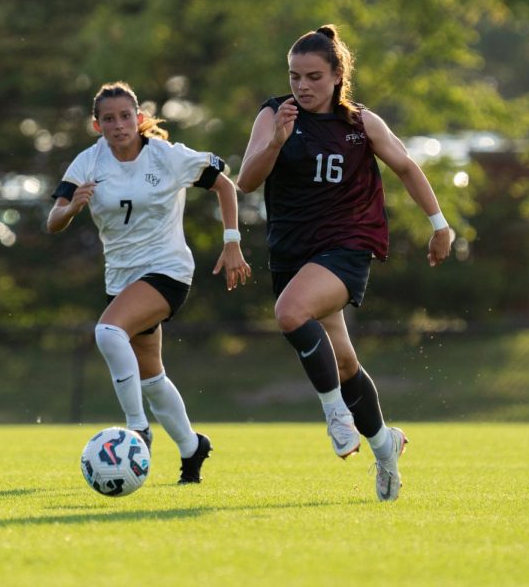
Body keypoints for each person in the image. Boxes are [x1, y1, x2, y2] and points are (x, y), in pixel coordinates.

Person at [236, 25, 452, 502]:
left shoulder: (361, 124)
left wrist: (439, 224)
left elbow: (407, 167)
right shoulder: (273, 115)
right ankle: (385, 446)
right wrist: (275, 142)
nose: (302, 86)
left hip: (348, 245)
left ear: (337, 76)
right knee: (346, 361)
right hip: (292, 251)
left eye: (313, 76)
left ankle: (334, 411)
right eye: (295, 76)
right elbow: (246, 183)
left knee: (290, 313)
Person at [48, 82, 251, 484]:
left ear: (139, 119)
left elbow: (225, 185)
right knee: (151, 377)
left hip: (167, 271)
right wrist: (71, 207)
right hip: (120, 278)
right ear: (97, 125)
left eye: (126, 116)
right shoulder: (88, 163)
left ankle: (136, 429)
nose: (119, 125)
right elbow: (52, 221)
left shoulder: (166, 156)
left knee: (107, 331)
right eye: (109, 119)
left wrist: (232, 242)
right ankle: (193, 448)